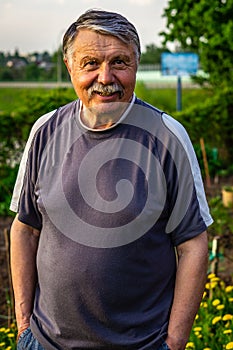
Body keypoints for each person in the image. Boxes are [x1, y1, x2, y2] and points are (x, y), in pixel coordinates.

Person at [10, 9, 213, 350]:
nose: (105, 77)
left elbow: (193, 244)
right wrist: (24, 327)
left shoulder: (166, 136)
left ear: (135, 63)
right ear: (70, 66)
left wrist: (174, 342)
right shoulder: (45, 131)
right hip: (44, 343)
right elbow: (25, 229)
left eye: (119, 62)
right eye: (90, 63)